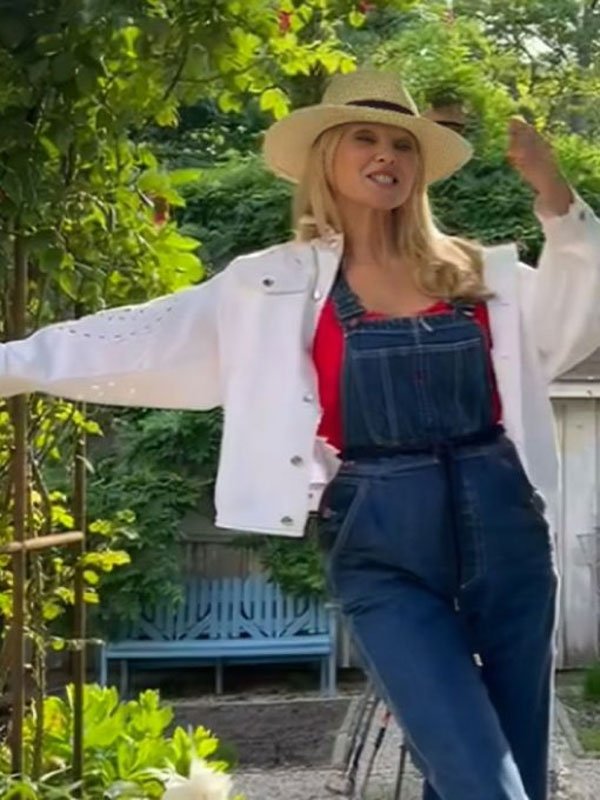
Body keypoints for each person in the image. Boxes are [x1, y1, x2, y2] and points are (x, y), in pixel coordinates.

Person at [1, 69, 599, 799]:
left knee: (515, 768)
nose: (387, 155)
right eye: (365, 138)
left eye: (403, 145)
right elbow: (138, 337)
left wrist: (556, 199)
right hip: (382, 545)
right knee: (478, 775)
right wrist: (10, 366)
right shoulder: (270, 286)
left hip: (507, 531)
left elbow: (573, 323)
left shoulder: (479, 274)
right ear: (326, 157)